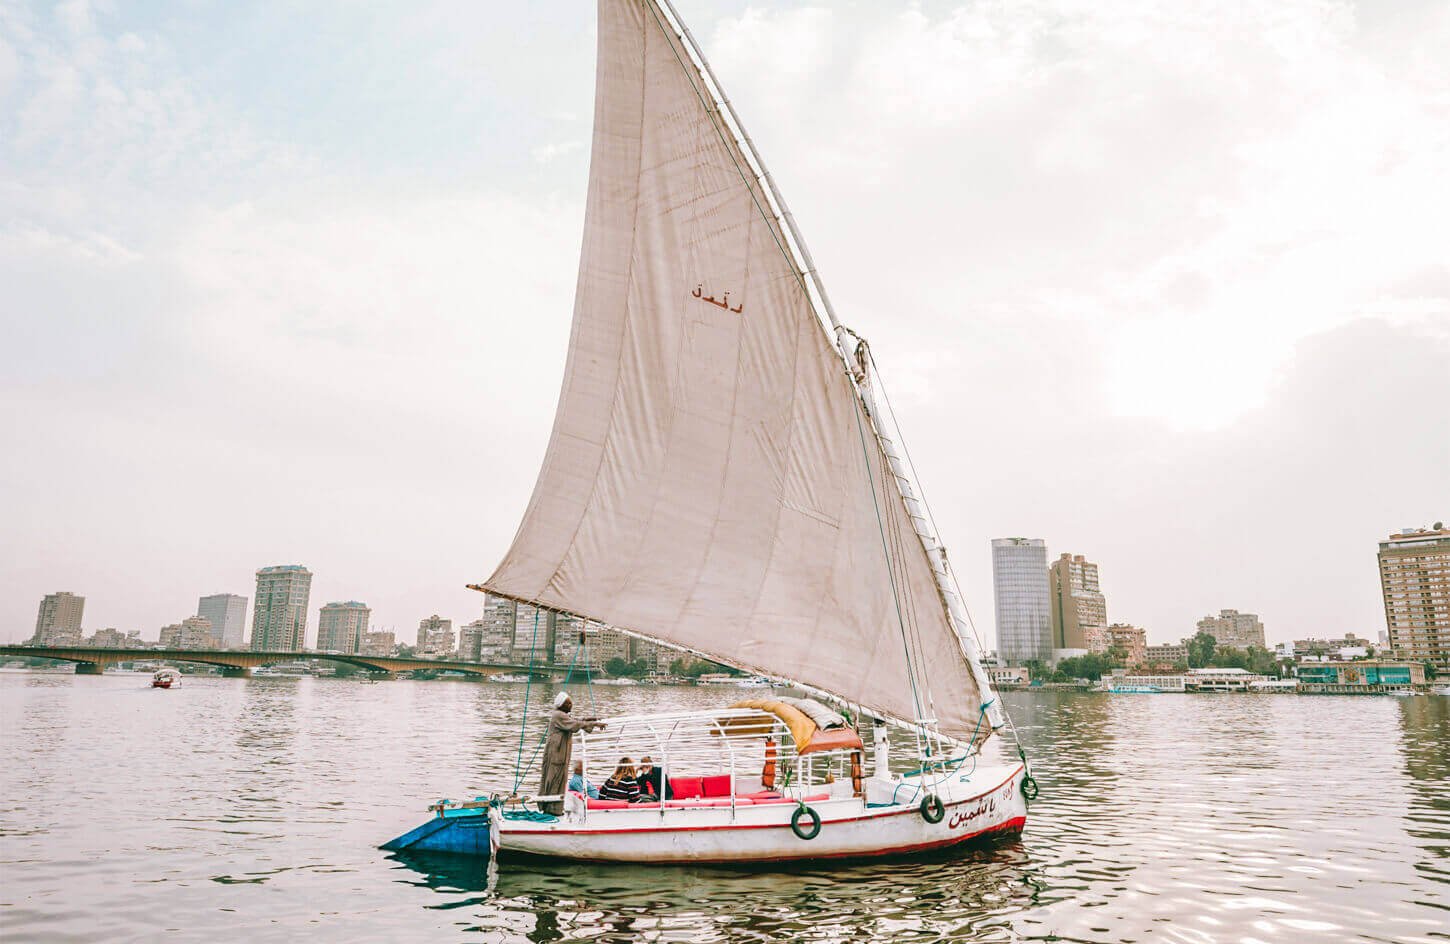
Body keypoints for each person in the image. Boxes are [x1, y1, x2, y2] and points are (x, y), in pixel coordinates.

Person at [538, 691, 604, 814]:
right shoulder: (558, 715)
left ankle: (555, 808)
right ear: (561, 704)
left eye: (570, 703)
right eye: (568, 703)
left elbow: (575, 721)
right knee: (553, 780)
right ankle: (551, 809)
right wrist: (594, 723)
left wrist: (589, 719)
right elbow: (574, 724)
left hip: (560, 756)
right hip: (555, 756)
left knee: (560, 781)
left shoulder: (562, 715)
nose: (570, 705)